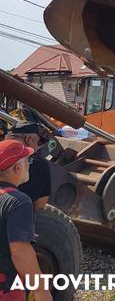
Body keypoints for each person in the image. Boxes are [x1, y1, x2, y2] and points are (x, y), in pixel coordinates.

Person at [0, 139, 52, 301]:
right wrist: (41, 289)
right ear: (17, 167)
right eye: (27, 161)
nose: (30, 165)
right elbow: (20, 251)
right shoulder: (18, 201)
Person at [7, 123, 50, 211]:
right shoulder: (39, 164)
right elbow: (41, 204)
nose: (38, 148)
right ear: (29, 139)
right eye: (38, 143)